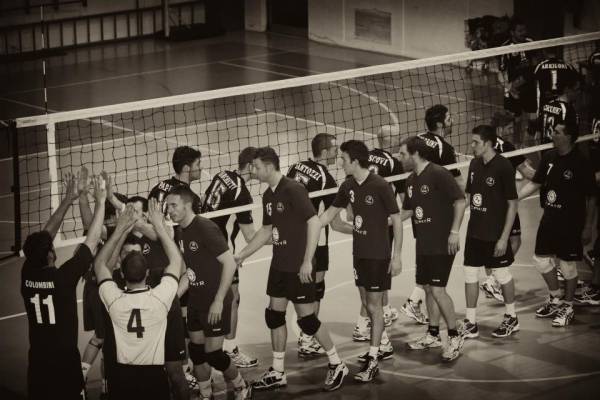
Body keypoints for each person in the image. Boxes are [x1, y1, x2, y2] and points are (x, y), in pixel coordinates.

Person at [235, 147, 349, 391]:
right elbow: (266, 230)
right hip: (279, 265)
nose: (253, 171)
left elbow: (314, 222)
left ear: (269, 167)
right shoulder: (268, 195)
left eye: (256, 167)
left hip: (298, 265)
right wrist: (241, 255)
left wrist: (307, 261)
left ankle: (337, 363)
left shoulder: (293, 189)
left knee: (307, 320)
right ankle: (278, 371)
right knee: (274, 316)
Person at [316, 140, 402, 381]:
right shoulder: (348, 185)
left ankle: (374, 359)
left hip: (378, 254)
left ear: (354, 161)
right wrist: (306, 228)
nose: (340, 163)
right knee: (366, 302)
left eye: (343, 159)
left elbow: (396, 219)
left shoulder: (380, 185)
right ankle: (379, 347)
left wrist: (397, 256)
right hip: (359, 254)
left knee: (374, 306)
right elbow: (329, 215)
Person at [22, 171, 105, 400]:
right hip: (65, 364)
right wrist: (100, 201)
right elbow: (93, 239)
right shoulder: (63, 279)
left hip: (38, 362)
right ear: (50, 255)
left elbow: (45, 236)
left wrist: (69, 199)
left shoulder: (27, 273)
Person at [167, 186, 252, 400]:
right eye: (168, 206)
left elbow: (230, 263)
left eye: (174, 205)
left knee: (213, 354)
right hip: (196, 301)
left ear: (187, 205)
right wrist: (172, 298)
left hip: (215, 301)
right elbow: (189, 272)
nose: (170, 210)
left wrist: (219, 300)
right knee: (197, 353)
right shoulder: (181, 231)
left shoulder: (205, 228)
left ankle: (242, 386)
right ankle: (206, 395)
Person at [94, 199, 183, 400]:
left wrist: (121, 230)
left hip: (123, 378)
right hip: (154, 378)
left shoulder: (115, 302)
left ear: (121, 274)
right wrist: (159, 225)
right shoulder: (160, 300)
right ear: (147, 273)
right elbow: (176, 260)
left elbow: (100, 266)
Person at [518, 104, 596, 327]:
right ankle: (555, 298)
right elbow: (536, 182)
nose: (552, 134)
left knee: (568, 266)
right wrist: (515, 198)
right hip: (550, 217)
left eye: (557, 132)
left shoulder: (581, 162)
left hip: (571, 221)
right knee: (540, 260)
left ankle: (568, 306)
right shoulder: (549, 156)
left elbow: (591, 197)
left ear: (568, 137)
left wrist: (588, 227)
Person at [398, 136, 467, 362]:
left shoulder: (438, 173)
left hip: (442, 242)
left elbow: (460, 200)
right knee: (427, 288)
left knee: (438, 290)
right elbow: (407, 211)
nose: (400, 158)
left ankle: (455, 335)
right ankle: (433, 333)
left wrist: (454, 232)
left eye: (403, 154)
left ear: (415, 154)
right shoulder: (410, 180)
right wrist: (384, 221)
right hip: (424, 243)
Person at [286, 134, 350, 357]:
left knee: (298, 289)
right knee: (315, 290)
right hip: (316, 242)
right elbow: (337, 223)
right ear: (324, 152)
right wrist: (363, 231)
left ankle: (306, 337)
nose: (337, 153)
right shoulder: (327, 180)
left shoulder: (295, 167)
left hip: (291, 238)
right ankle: (307, 339)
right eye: (334, 149)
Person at [402, 104, 462, 326]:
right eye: (449, 118)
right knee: (435, 284)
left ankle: (418, 304)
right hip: (438, 219)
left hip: (420, 216)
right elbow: (458, 183)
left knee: (430, 278)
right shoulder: (444, 148)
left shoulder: (416, 140)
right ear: (440, 123)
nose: (452, 121)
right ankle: (447, 328)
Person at [201, 147, 259, 367]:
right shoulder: (241, 193)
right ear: (251, 166)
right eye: (259, 165)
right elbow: (251, 235)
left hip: (202, 243)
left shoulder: (222, 175)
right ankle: (230, 349)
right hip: (221, 252)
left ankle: (204, 349)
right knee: (232, 298)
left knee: (206, 297)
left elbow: (204, 199)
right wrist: (281, 235)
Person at [462, 125, 520, 339]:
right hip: (474, 232)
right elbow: (469, 197)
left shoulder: (504, 167)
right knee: (469, 273)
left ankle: (511, 317)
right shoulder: (474, 164)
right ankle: (470, 322)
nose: (472, 145)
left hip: (495, 233)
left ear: (487, 143)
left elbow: (512, 204)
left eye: (476, 142)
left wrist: (504, 238)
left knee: (501, 274)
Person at [479, 111, 537, 302]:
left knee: (492, 242)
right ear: (500, 129)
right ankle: (494, 280)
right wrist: (548, 174)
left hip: (484, 203)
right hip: (504, 204)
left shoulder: (482, 144)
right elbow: (527, 173)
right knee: (514, 241)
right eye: (510, 128)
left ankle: (492, 280)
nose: (513, 131)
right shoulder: (508, 147)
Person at [350, 145, 404, 342]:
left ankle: (383, 312)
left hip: (366, 231)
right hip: (380, 230)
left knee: (372, 285)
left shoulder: (362, 160)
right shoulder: (392, 163)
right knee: (374, 285)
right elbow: (404, 204)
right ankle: (367, 325)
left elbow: (349, 209)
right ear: (391, 141)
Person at [498, 17, 537, 144]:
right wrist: (509, 88)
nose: (523, 33)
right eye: (520, 31)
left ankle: (530, 142)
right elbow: (501, 72)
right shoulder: (505, 47)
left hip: (529, 88)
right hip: (513, 91)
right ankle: (516, 145)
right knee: (516, 120)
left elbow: (534, 66)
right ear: (512, 32)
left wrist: (520, 81)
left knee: (533, 119)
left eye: (524, 30)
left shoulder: (530, 42)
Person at [148, 145, 202, 214]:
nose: (201, 168)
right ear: (186, 168)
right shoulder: (192, 199)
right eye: (198, 164)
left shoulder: (158, 187)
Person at [534, 47, 578, 114]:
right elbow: (576, 83)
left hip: (546, 102)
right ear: (557, 51)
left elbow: (535, 84)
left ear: (544, 52)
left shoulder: (540, 66)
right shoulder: (567, 65)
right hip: (563, 101)